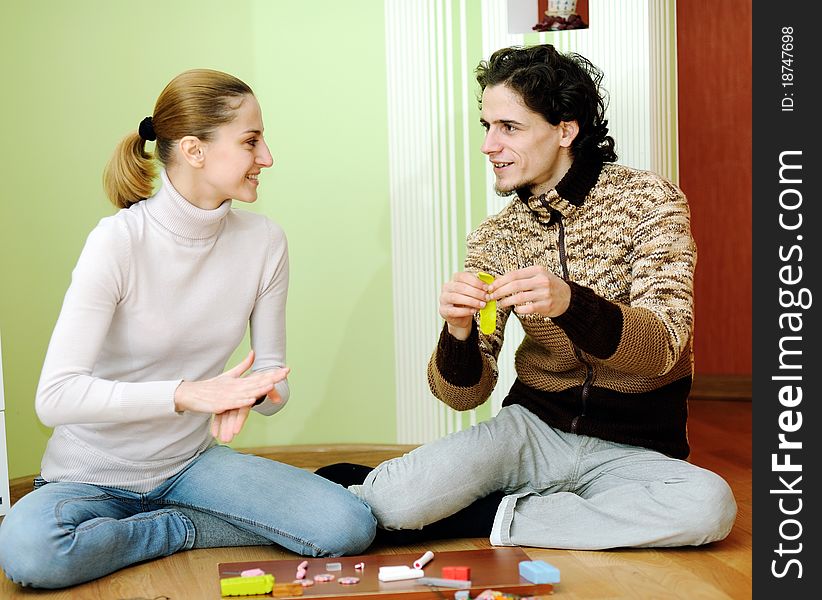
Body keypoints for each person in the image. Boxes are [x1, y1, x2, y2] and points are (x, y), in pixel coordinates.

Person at [318, 44, 737, 549]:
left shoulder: (649, 201)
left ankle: (486, 516)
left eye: (509, 128)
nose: (489, 146)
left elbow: (664, 345)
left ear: (565, 130)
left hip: (635, 449)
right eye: (486, 126)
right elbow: (464, 395)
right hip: (531, 432)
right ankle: (457, 500)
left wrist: (570, 303)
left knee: (708, 507)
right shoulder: (496, 238)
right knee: (392, 504)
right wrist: (458, 333)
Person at [0, 69, 375, 589]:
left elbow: (272, 371)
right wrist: (188, 394)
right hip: (89, 476)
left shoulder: (264, 241)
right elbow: (55, 398)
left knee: (347, 526)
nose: (267, 157)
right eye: (251, 141)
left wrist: (254, 394)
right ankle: (178, 529)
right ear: (195, 150)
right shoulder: (118, 241)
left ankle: (170, 528)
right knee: (32, 552)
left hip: (190, 468)